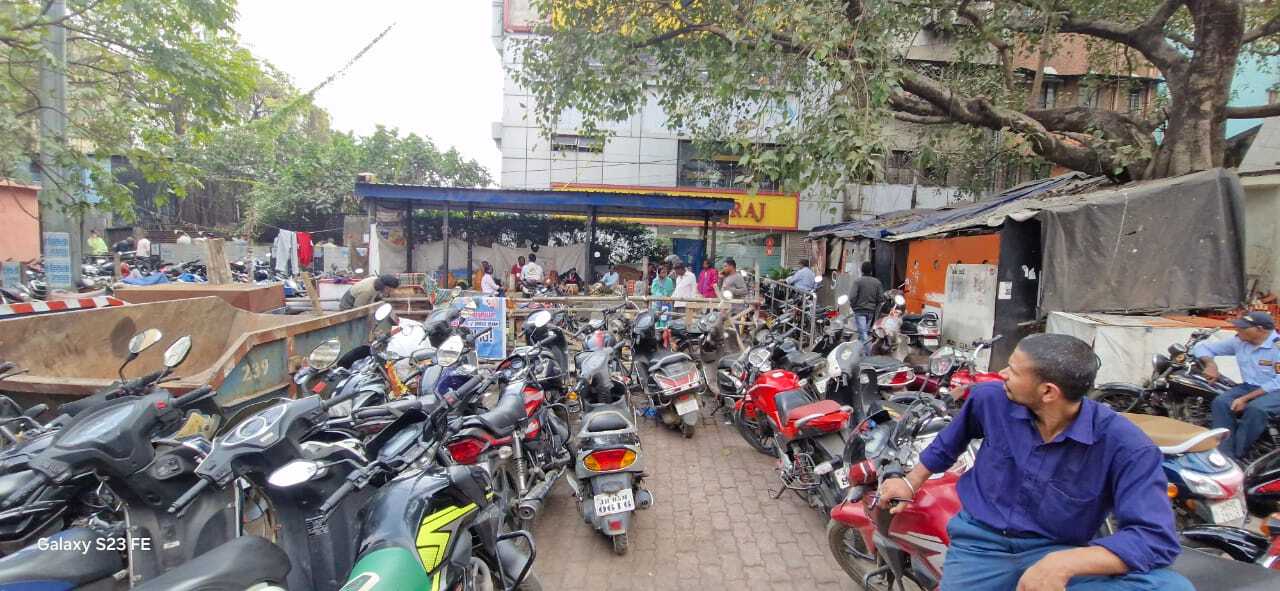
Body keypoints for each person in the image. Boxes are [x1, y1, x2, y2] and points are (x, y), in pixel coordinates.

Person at [878, 333, 1190, 591]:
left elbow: (1154, 537)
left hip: (1059, 548)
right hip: (980, 546)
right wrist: (910, 482)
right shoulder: (990, 399)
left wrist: (1064, 563)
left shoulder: (1127, 447)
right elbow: (949, 443)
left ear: (1048, 392)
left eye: (1013, 371)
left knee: (1172, 587)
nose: (1002, 374)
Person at [1192, 310, 1280, 459]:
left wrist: (1244, 399)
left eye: (1243, 327)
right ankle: (1224, 453)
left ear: (1260, 329)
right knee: (1220, 402)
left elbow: (1278, 381)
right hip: (1250, 386)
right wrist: (1210, 364)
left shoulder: (1277, 347)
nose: (1237, 330)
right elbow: (1202, 347)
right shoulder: (1239, 341)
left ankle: (1238, 456)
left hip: (1275, 389)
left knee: (1256, 410)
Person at [850, 262, 883, 343]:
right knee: (864, 332)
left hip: (859, 311)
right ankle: (860, 347)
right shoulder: (877, 282)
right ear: (871, 271)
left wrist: (854, 307)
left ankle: (865, 349)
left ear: (862, 270)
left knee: (863, 333)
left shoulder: (858, 281)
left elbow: (852, 297)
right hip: (871, 312)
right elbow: (880, 298)